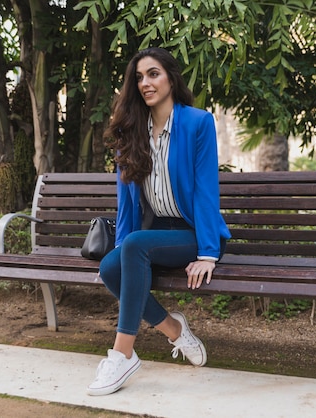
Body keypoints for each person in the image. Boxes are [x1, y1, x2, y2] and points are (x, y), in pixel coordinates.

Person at [87, 47, 231, 396]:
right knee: (110, 268)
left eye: (153, 74)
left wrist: (209, 252)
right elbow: (126, 204)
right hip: (156, 234)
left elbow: (205, 190)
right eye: (138, 77)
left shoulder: (197, 122)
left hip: (196, 235)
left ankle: (122, 355)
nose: (145, 83)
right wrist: (120, 250)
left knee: (135, 245)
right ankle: (175, 330)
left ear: (170, 77)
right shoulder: (131, 130)